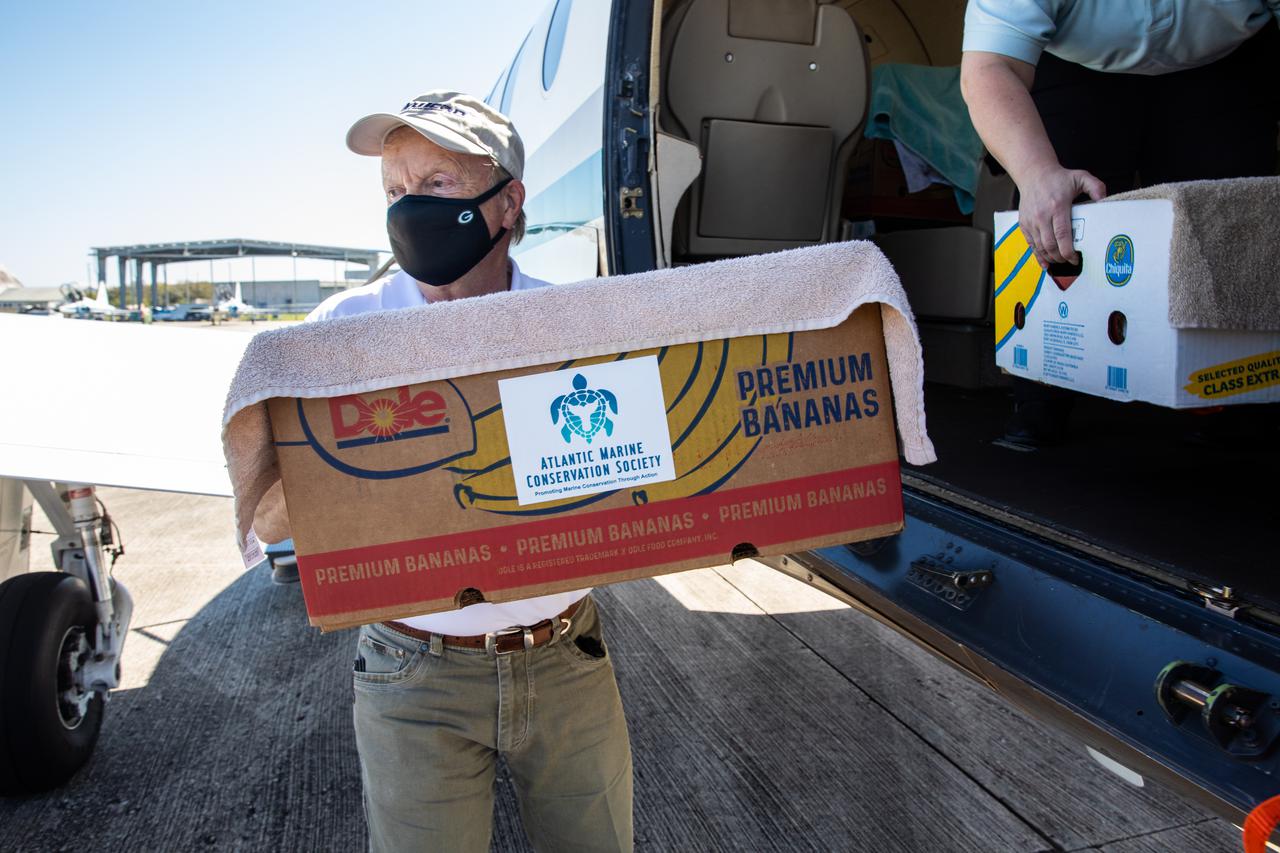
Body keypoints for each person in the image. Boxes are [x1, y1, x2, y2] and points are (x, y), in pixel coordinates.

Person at [307, 91, 633, 853]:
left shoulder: (576, 328)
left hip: (564, 659)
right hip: (411, 670)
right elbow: (278, 513)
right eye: (396, 191)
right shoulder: (337, 336)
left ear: (507, 201)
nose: (409, 209)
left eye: (438, 185)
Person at [960, 1, 1280, 445]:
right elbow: (989, 65)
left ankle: (1236, 401)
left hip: (1224, 59)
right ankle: (1040, 398)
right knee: (1057, 214)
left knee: (1236, 222)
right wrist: (1036, 174)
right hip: (1077, 61)